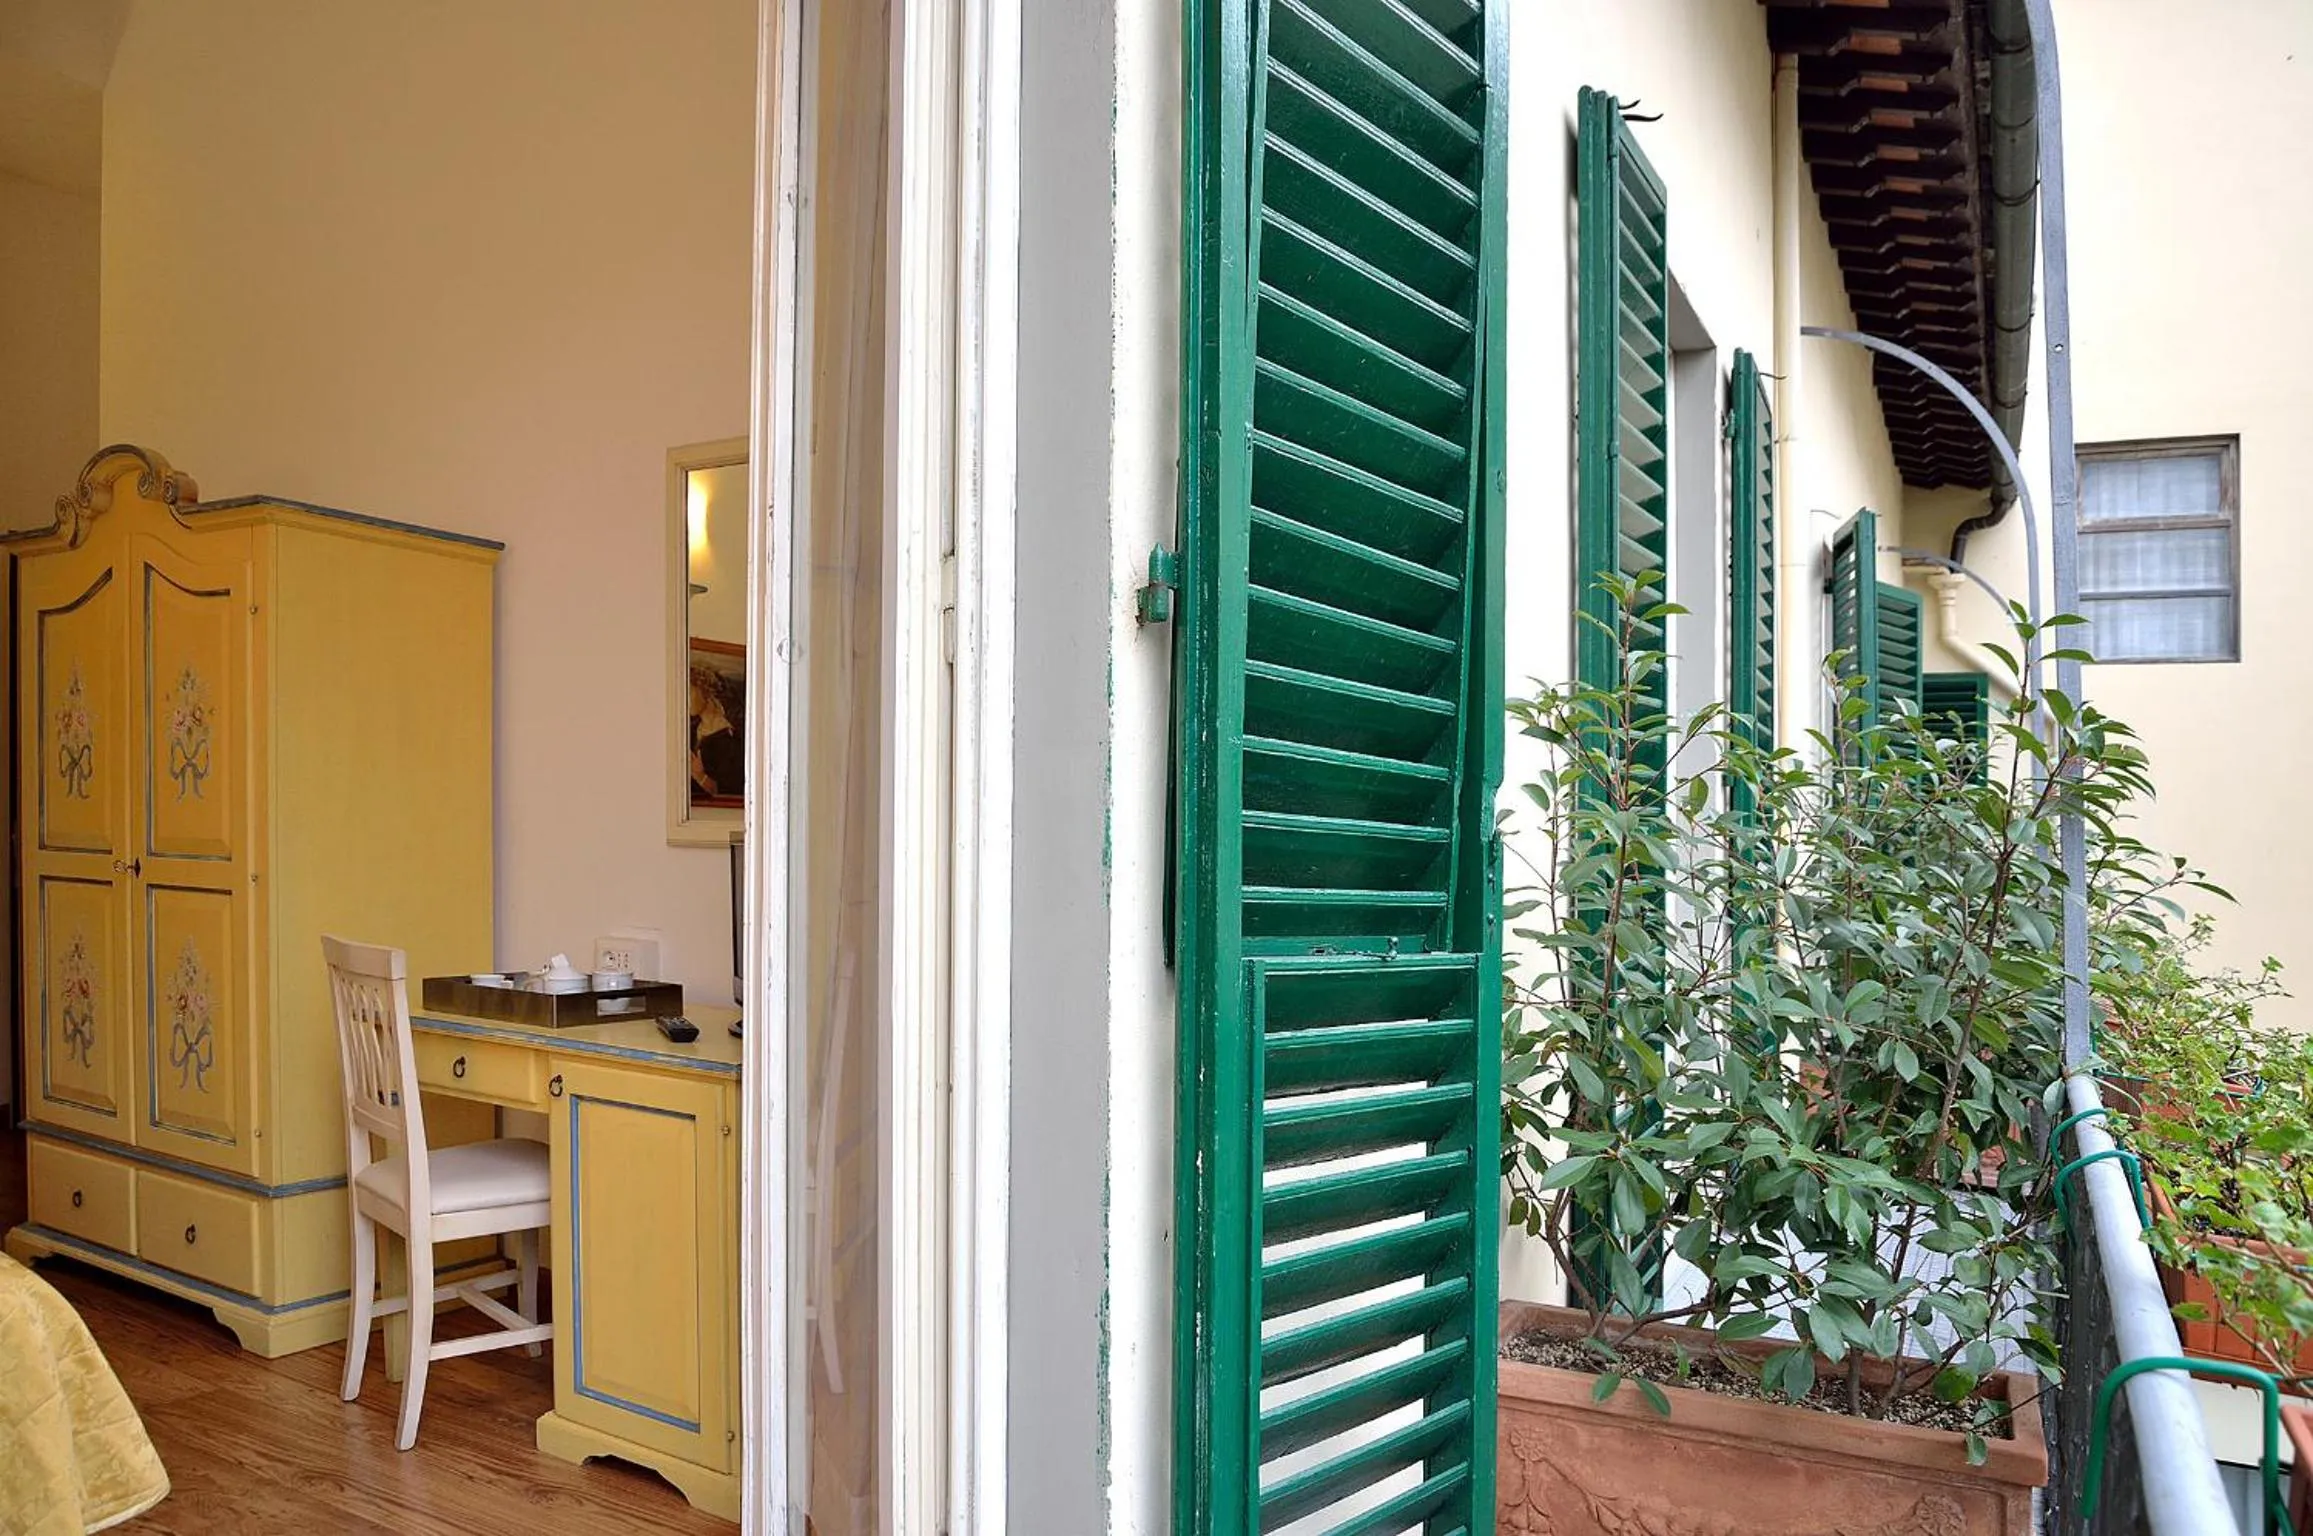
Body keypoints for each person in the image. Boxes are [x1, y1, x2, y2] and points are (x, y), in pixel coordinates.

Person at [690, 670, 743, 801]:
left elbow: (729, 793)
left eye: (689, 692)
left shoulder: (729, 738)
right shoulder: (692, 729)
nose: (685, 700)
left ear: (704, 691)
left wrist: (700, 776)